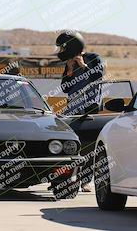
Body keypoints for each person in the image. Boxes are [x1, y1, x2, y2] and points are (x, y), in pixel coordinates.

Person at [55, 31, 105, 192]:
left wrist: (83, 66)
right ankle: (67, 178)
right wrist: (70, 69)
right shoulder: (69, 63)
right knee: (72, 144)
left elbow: (97, 76)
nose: (61, 51)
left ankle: (85, 180)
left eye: (63, 47)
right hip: (72, 110)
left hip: (90, 109)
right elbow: (65, 87)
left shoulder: (94, 58)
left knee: (90, 146)